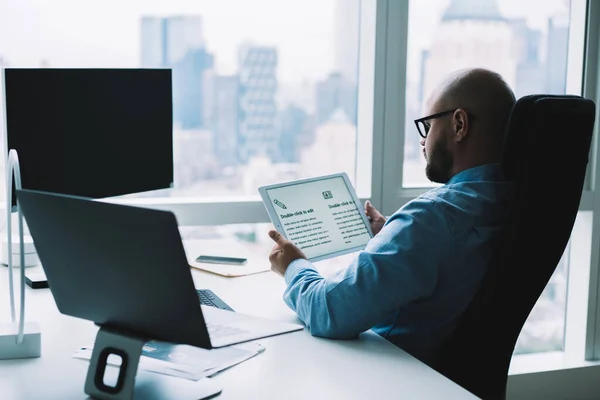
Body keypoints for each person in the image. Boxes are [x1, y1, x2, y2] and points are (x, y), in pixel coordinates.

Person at [266, 67, 517, 366]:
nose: (423, 142)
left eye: (427, 126)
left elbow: (328, 311)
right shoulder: (515, 202)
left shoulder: (431, 218)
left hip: (391, 377)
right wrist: (391, 235)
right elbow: (450, 260)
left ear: (459, 124)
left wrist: (293, 266)